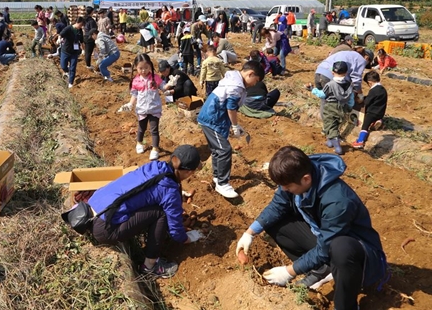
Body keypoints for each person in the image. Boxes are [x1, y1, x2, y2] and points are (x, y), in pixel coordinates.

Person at [235, 146, 387, 309]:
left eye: (287, 187)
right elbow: (277, 206)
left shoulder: (337, 201)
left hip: (358, 255)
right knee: (275, 222)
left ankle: (346, 306)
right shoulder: (295, 175)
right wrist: (249, 233)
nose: (284, 190)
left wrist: (289, 271)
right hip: (325, 239)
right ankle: (322, 270)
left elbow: (326, 247)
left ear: (306, 179)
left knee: (340, 248)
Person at [88, 145, 205, 279]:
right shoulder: (169, 191)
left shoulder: (154, 167)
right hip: (104, 228)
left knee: (157, 208)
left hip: (93, 206)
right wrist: (188, 238)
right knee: (161, 213)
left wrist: (177, 197)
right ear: (189, 172)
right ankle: (150, 267)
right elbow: (176, 232)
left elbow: (147, 189)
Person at [197, 60, 264, 198]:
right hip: (212, 119)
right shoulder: (237, 86)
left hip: (213, 117)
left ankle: (217, 177)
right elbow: (231, 107)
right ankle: (222, 183)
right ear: (250, 74)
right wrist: (235, 126)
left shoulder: (234, 78)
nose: (255, 84)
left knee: (217, 150)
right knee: (224, 149)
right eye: (255, 80)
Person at [119, 54, 171, 161]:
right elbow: (134, 94)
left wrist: (170, 84)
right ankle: (139, 143)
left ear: (150, 66)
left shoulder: (155, 77)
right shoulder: (136, 80)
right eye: (140, 68)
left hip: (154, 108)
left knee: (154, 130)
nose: (143, 70)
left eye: (146, 68)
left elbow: (163, 88)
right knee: (141, 128)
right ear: (136, 68)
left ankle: (155, 149)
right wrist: (130, 104)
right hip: (142, 109)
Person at [309, 61, 354, 155]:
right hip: (343, 107)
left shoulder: (330, 85)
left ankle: (337, 147)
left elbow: (322, 95)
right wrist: (349, 107)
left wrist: (312, 90)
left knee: (330, 124)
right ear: (346, 73)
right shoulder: (350, 84)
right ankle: (330, 142)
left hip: (331, 106)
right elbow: (351, 98)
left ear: (332, 72)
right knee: (336, 123)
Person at [352, 71, 388, 149]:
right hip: (380, 113)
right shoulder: (383, 90)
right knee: (375, 119)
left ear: (370, 82)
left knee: (365, 126)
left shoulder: (373, 90)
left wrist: (361, 102)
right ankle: (378, 121)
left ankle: (360, 141)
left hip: (371, 113)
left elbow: (367, 102)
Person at [59, 17, 85, 89]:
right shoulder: (68, 28)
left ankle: (71, 82)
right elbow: (61, 34)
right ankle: (67, 71)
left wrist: (83, 49)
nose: (81, 27)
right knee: (63, 66)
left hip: (74, 52)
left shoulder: (80, 31)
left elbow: (81, 41)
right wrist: (59, 39)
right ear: (78, 22)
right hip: (66, 50)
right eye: (81, 25)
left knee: (73, 67)